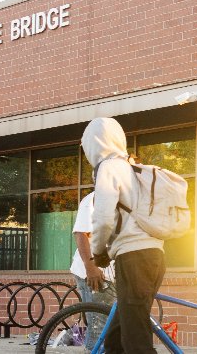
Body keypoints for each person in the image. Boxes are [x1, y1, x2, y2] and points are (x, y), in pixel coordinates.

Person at [85, 117, 165, 354]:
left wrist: (98, 253)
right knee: (116, 340)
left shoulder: (109, 168)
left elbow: (102, 217)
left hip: (134, 258)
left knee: (135, 342)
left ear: (94, 142)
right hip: (153, 255)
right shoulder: (132, 167)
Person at [71, 191, 115, 349]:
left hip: (116, 275)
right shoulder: (93, 199)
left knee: (114, 329)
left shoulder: (128, 199)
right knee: (98, 326)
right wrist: (91, 267)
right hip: (95, 273)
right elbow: (80, 232)